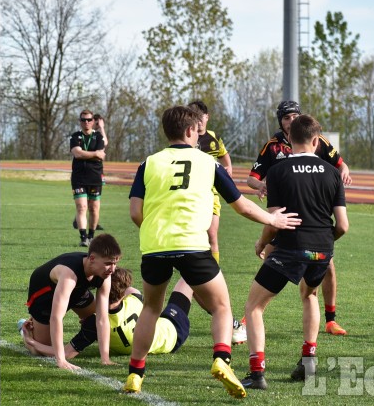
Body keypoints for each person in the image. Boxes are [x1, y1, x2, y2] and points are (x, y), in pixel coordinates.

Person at [123, 105, 301, 398]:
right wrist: (273, 219)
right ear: (192, 131)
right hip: (193, 245)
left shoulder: (149, 163)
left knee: (151, 309)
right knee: (221, 306)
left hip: (155, 246)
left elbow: (134, 212)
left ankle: (135, 374)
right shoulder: (209, 164)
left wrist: (154, 230)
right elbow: (241, 204)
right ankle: (221, 359)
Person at [241, 114, 349, 390]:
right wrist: (324, 241)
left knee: (254, 307)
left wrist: (262, 242)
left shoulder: (278, 172)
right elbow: (344, 226)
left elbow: (275, 218)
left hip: (289, 248)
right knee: (309, 294)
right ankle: (308, 361)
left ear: (289, 140)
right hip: (323, 250)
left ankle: (256, 373)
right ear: (316, 141)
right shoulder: (332, 174)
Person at [21, 268, 195, 358]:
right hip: (170, 334)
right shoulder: (134, 299)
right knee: (187, 280)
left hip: (168, 333)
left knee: (188, 282)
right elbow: (128, 290)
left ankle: (215, 308)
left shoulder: (95, 324)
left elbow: (66, 353)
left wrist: (30, 341)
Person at [187, 100, 245, 345]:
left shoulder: (213, 139)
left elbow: (225, 159)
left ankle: (213, 269)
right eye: (194, 120)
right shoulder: (186, 138)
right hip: (192, 195)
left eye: (201, 120)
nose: (198, 124)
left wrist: (227, 172)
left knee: (212, 234)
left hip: (210, 194)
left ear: (207, 119)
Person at [22, 234, 121, 370]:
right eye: (108, 264)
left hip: (76, 291)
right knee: (40, 351)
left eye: (115, 263)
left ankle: (39, 329)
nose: (113, 269)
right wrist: (61, 360)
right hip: (44, 298)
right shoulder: (69, 274)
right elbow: (56, 317)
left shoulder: (105, 275)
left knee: (97, 314)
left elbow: (102, 318)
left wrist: (105, 359)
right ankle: (27, 333)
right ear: (92, 259)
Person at [70, 110, 107, 246]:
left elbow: (101, 154)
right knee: (81, 207)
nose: (86, 122)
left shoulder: (98, 137)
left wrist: (86, 153)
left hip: (95, 177)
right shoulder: (75, 136)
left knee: (94, 208)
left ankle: (91, 236)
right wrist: (95, 154)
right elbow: (77, 154)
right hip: (79, 177)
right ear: (80, 121)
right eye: (83, 120)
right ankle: (83, 238)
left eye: (89, 119)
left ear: (93, 121)